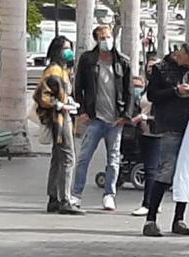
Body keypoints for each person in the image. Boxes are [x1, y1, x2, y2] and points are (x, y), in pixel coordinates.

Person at [71, 25, 133, 212]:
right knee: (84, 158)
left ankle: (109, 195)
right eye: (102, 38)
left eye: (108, 37)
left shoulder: (123, 62)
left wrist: (125, 116)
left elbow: (129, 91)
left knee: (113, 160)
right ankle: (76, 194)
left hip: (115, 120)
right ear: (96, 40)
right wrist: (82, 111)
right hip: (95, 118)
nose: (106, 41)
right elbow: (78, 86)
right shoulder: (88, 60)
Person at [140, 42, 189, 237]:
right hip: (169, 125)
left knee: (185, 172)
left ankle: (179, 218)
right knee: (166, 171)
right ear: (178, 56)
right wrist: (175, 91)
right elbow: (152, 95)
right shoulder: (161, 69)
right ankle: (151, 218)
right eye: (187, 60)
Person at [36, 35, 84, 216]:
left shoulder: (63, 70)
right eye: (66, 48)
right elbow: (42, 96)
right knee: (68, 157)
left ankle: (54, 197)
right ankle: (64, 198)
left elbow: (62, 92)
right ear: (57, 50)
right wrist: (59, 105)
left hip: (64, 116)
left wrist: (68, 101)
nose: (69, 51)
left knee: (58, 158)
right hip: (59, 119)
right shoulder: (53, 71)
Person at [128, 74, 162, 219]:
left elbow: (163, 114)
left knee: (151, 169)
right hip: (143, 132)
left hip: (156, 132)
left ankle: (148, 204)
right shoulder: (147, 90)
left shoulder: (162, 92)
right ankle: (154, 202)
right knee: (150, 167)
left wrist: (144, 117)